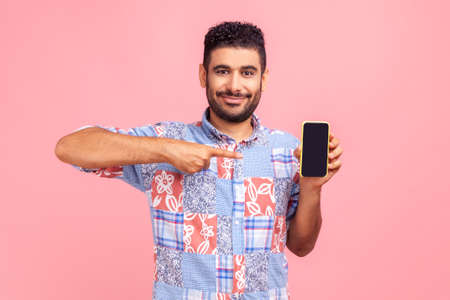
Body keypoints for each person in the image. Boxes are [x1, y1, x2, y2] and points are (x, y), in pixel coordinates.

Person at [55, 21, 343, 300]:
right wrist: (167, 150)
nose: (234, 85)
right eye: (222, 71)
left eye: (247, 73)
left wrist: (312, 188)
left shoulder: (288, 151)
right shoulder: (163, 141)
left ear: (263, 79)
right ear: (203, 75)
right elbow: (70, 147)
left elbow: (301, 246)